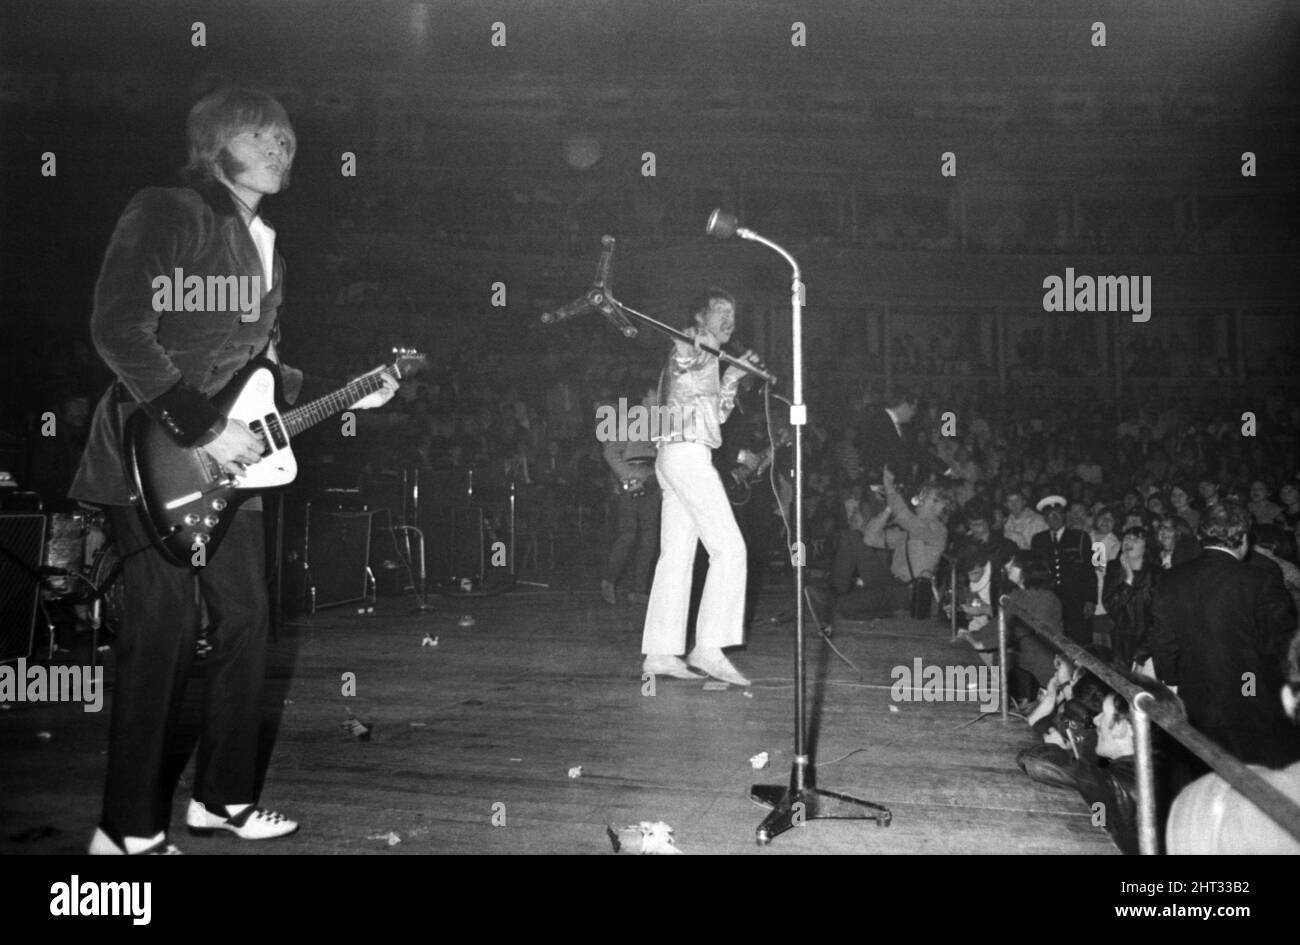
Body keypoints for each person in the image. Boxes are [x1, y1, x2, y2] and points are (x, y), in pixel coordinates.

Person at [69, 89, 398, 855]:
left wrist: (354, 393)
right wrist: (206, 428)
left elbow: (259, 373)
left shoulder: (271, 247)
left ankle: (223, 798)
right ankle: (124, 831)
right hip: (152, 458)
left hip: (230, 468)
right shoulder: (168, 209)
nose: (282, 146)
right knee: (165, 627)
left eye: (286, 135)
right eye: (261, 134)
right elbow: (117, 328)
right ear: (216, 148)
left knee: (249, 620)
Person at [640, 288, 761, 687]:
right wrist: (686, 338)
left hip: (676, 456)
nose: (729, 320)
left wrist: (735, 376)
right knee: (730, 549)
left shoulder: (708, 355)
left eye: (733, 313)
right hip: (687, 457)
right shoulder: (695, 344)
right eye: (721, 311)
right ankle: (709, 647)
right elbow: (681, 350)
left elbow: (714, 415)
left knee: (676, 556)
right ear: (700, 317)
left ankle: (660, 652)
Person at [1149, 503, 1300, 768]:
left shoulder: (1171, 578)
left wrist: (1171, 682)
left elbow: (1163, 642)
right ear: (1243, 537)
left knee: (1204, 773)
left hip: (1195, 697)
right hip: (1249, 695)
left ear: (1201, 535)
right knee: (1252, 776)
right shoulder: (1259, 580)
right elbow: (1280, 649)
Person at [600, 385, 661, 605]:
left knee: (649, 537)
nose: (658, 398)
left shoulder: (661, 423)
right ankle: (609, 580)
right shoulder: (633, 421)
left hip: (654, 480)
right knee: (628, 535)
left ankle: (639, 589)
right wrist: (628, 475)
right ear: (644, 397)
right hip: (632, 480)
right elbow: (609, 451)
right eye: (654, 394)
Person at [1030, 495, 1095, 646]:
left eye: (1058, 513)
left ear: (1064, 515)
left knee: (1080, 643)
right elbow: (1035, 572)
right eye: (1050, 515)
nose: (1054, 517)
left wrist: (1090, 599)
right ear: (1045, 518)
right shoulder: (1038, 540)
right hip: (1049, 601)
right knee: (1052, 643)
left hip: (1076, 601)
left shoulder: (1080, 537)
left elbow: (1089, 570)